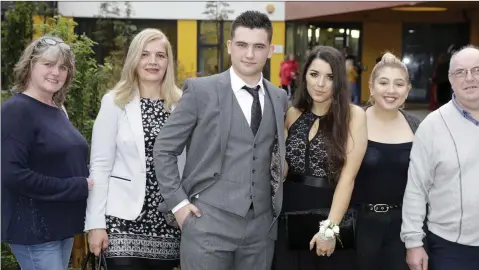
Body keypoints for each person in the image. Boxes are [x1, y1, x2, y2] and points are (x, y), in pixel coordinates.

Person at [153, 11, 288, 270]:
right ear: (229, 46)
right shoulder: (201, 91)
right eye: (242, 45)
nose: (250, 54)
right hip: (207, 224)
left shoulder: (278, 97)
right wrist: (179, 205)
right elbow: (164, 149)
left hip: (260, 230)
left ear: (270, 50)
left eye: (258, 46)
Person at [401, 45, 479, 270]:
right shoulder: (432, 126)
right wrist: (413, 242)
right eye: (460, 72)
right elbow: (416, 188)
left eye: (477, 70)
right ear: (450, 79)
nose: (469, 78)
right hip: (451, 247)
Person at [85, 28, 184, 269]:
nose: (153, 61)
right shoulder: (115, 102)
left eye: (160, 55)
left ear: (168, 62)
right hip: (122, 220)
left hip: (168, 222)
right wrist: (95, 223)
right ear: (134, 59)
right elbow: (99, 165)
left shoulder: (182, 104)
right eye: (145, 54)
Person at [1, 35, 93, 270]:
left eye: (63, 67)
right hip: (34, 230)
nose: (56, 72)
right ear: (30, 65)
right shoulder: (17, 110)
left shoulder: (58, 109)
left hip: (61, 227)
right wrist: (77, 186)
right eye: (48, 64)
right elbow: (13, 175)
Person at [274, 45, 368, 269]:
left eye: (330, 77)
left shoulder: (353, 116)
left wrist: (329, 229)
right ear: (304, 74)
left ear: (339, 81)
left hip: (330, 212)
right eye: (314, 74)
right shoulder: (292, 114)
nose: (320, 83)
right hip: (288, 213)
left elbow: (348, 178)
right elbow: (283, 167)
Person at [352, 52, 420, 270]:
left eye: (399, 84)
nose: (391, 90)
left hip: (402, 229)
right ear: (371, 87)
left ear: (407, 90)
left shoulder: (417, 127)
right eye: (384, 83)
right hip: (359, 226)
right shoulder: (353, 121)